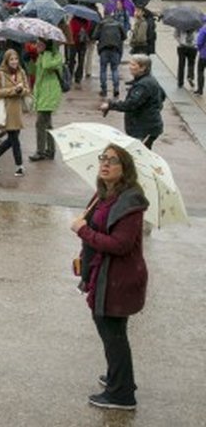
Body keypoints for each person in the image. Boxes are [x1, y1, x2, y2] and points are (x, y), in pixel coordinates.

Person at [69, 144, 148, 411]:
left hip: (119, 279)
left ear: (125, 168)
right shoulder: (104, 194)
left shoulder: (130, 202)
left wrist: (83, 231)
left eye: (112, 160)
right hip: (105, 275)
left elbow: (120, 245)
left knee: (113, 333)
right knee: (112, 333)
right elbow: (95, 226)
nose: (104, 164)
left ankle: (122, 394)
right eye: (103, 158)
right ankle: (119, 378)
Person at [100, 54, 165, 149]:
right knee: (139, 153)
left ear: (143, 68)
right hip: (146, 126)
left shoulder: (143, 85)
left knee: (135, 153)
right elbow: (162, 95)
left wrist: (110, 105)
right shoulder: (147, 81)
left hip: (143, 127)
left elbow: (130, 104)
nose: (130, 67)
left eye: (134, 65)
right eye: (130, 64)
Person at [0, 49, 30, 176]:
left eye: (16, 59)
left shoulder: (21, 72)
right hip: (6, 110)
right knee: (14, 139)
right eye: (11, 59)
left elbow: (27, 90)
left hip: (17, 111)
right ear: (6, 61)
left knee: (12, 139)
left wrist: (21, 90)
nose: (14, 61)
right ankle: (19, 166)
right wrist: (13, 90)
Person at [30, 39, 64, 162]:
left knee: (40, 123)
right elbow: (36, 72)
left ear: (48, 45)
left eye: (40, 43)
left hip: (50, 93)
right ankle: (50, 150)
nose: (37, 45)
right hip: (43, 93)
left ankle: (41, 151)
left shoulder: (55, 56)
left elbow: (47, 65)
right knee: (47, 123)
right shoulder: (42, 55)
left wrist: (47, 52)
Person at [93, 13, 125, 98]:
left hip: (104, 49)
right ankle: (116, 88)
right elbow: (124, 36)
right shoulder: (118, 24)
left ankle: (104, 89)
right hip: (115, 49)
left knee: (103, 70)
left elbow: (95, 36)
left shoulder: (101, 24)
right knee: (114, 69)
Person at [175, 27, 198, 91]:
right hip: (193, 47)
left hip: (182, 47)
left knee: (181, 65)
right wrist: (195, 42)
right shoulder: (196, 24)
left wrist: (180, 41)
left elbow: (175, 34)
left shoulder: (180, 24)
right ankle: (190, 76)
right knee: (191, 63)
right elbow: (199, 34)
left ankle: (180, 82)